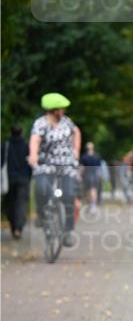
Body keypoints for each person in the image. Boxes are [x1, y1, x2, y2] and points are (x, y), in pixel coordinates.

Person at [29, 93, 81, 246]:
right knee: (41, 188)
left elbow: (76, 132)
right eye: (61, 108)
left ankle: (68, 231)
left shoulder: (67, 122)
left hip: (66, 165)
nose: (63, 111)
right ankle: (41, 215)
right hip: (46, 164)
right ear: (53, 109)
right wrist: (33, 155)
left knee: (69, 194)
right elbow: (35, 140)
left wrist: (76, 150)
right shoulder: (40, 124)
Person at [2, 125, 32, 239]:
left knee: (10, 203)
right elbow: (30, 162)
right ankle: (18, 228)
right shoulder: (26, 145)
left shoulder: (5, 145)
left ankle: (13, 226)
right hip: (23, 178)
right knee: (21, 204)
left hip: (8, 179)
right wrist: (29, 176)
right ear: (22, 132)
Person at [79, 142, 103, 212]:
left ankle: (91, 204)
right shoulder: (97, 156)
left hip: (88, 175)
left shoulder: (84, 157)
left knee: (89, 191)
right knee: (93, 190)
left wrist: (79, 175)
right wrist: (100, 175)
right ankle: (92, 205)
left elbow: (82, 168)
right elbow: (99, 168)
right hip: (94, 175)